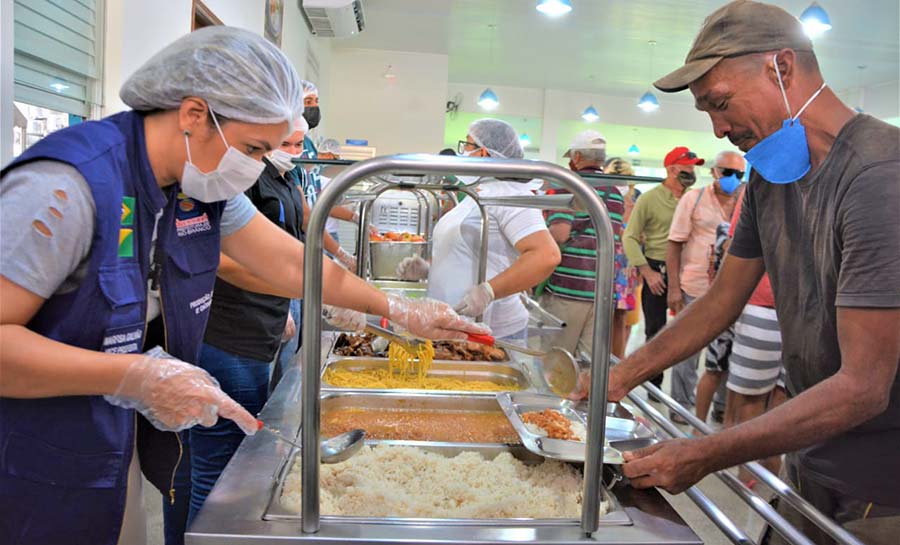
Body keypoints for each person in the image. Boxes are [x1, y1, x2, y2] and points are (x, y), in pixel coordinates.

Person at [0, 27, 486, 545]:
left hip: (104, 442)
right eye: (254, 148)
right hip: (28, 448)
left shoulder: (197, 184)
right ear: (193, 115)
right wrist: (133, 376)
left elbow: (289, 262)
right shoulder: (67, 186)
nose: (256, 166)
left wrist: (391, 307)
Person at [595, 3, 900, 543]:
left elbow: (864, 386)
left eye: (720, 103)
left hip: (881, 482)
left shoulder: (879, 175)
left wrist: (705, 452)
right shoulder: (771, 175)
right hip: (814, 458)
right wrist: (620, 374)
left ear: (781, 68)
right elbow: (721, 300)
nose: (718, 128)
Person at [188, 120, 349, 523]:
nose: (293, 151)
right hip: (230, 331)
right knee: (219, 469)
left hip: (263, 323)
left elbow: (302, 230)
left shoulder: (282, 175)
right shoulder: (234, 179)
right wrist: (310, 290)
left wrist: (336, 265)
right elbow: (229, 263)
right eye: (284, 143)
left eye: (299, 144)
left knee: (234, 457)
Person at [396, 119, 561, 341]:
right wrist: (429, 269)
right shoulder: (479, 193)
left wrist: (489, 291)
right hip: (455, 322)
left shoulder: (508, 194)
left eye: (467, 145)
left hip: (493, 329)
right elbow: (470, 254)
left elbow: (546, 256)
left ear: (483, 153)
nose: (462, 151)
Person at [622, 146, 705, 401]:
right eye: (686, 167)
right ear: (671, 169)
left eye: (693, 167)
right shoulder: (649, 199)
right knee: (656, 332)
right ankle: (654, 389)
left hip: (688, 272)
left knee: (689, 332)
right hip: (657, 271)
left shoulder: (695, 199)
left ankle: (682, 393)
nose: (691, 172)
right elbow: (630, 237)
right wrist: (646, 271)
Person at [666, 150, 742, 422]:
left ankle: (721, 408)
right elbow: (674, 244)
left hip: (732, 291)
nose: (733, 179)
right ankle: (680, 408)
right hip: (694, 287)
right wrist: (673, 288)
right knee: (686, 349)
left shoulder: (744, 201)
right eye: (727, 173)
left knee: (726, 354)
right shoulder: (694, 198)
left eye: (739, 174)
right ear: (714, 171)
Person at [539, 131, 626, 357]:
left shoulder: (568, 185)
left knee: (556, 363)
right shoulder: (615, 193)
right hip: (602, 291)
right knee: (588, 367)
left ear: (576, 157)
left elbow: (559, 234)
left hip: (567, 290)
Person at [723, 180, 786, 486]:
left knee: (782, 400)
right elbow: (736, 254)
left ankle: (770, 479)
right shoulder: (760, 188)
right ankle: (747, 476)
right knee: (750, 397)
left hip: (807, 313)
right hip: (764, 306)